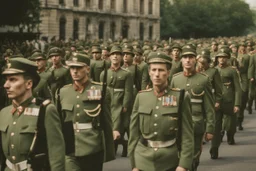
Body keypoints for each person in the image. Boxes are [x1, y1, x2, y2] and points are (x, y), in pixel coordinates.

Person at [128, 51, 194, 171]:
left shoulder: (180, 97)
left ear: (168, 73)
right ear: (149, 72)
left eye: (161, 70)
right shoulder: (141, 97)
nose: (156, 74)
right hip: (143, 159)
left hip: (169, 159)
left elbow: (187, 135)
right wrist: (134, 164)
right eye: (153, 70)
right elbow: (134, 134)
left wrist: (183, 165)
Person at [0, 58, 65, 171]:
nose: (6, 85)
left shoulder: (45, 110)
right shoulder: (4, 113)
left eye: (13, 80)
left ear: (29, 84)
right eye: (6, 80)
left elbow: (56, 154)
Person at [58, 53, 116, 171]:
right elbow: (58, 122)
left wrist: (109, 150)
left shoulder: (101, 90)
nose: (75, 71)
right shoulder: (63, 92)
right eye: (72, 68)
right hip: (70, 145)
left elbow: (107, 121)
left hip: (92, 145)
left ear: (88, 69)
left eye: (79, 68)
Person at [171, 45, 215, 171]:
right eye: (185, 57)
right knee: (177, 156)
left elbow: (209, 107)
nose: (188, 60)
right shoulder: (175, 79)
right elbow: (170, 102)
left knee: (193, 157)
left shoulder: (204, 80)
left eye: (191, 57)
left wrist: (210, 129)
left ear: (196, 59)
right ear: (181, 60)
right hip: (177, 124)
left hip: (196, 124)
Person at [100, 45, 133, 156]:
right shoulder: (104, 73)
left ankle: (119, 145)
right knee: (108, 125)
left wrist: (125, 105)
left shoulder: (126, 73)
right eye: (113, 54)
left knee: (118, 126)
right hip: (108, 102)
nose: (115, 57)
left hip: (119, 102)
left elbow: (128, 91)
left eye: (118, 54)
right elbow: (102, 90)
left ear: (121, 57)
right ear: (109, 57)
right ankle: (119, 145)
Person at [196, 49, 223, 159]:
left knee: (214, 127)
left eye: (204, 62)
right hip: (198, 103)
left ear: (208, 62)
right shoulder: (195, 72)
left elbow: (219, 89)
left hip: (211, 102)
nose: (202, 64)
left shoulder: (213, 72)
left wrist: (217, 101)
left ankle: (214, 147)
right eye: (200, 62)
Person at [215, 47, 242, 145]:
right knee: (217, 123)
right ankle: (220, 135)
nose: (222, 59)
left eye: (224, 57)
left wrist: (237, 104)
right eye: (220, 57)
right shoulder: (214, 70)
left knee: (231, 124)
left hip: (229, 100)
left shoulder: (232, 71)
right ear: (217, 59)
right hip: (217, 101)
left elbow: (238, 88)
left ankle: (230, 136)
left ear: (227, 59)